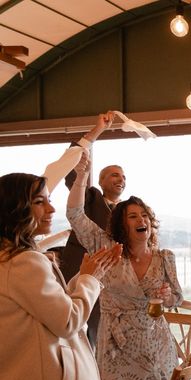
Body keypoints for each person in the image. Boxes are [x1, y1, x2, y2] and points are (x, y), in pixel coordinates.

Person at [0, 173, 121, 380]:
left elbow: (47, 308)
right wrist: (91, 279)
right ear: (15, 209)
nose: (51, 210)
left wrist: (83, 277)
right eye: (40, 202)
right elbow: (67, 320)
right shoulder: (22, 262)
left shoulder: (12, 259)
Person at [66, 156, 182, 380]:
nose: (141, 219)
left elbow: (176, 297)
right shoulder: (106, 248)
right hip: (116, 349)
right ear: (122, 225)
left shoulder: (165, 257)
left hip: (156, 349)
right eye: (133, 216)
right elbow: (75, 215)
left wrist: (167, 297)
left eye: (144, 216)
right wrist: (81, 177)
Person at [59, 111, 126, 347]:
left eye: (123, 176)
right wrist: (95, 132)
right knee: (80, 336)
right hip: (83, 275)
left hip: (115, 287)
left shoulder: (128, 214)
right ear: (100, 181)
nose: (121, 178)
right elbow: (70, 172)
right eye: (114, 174)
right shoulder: (90, 198)